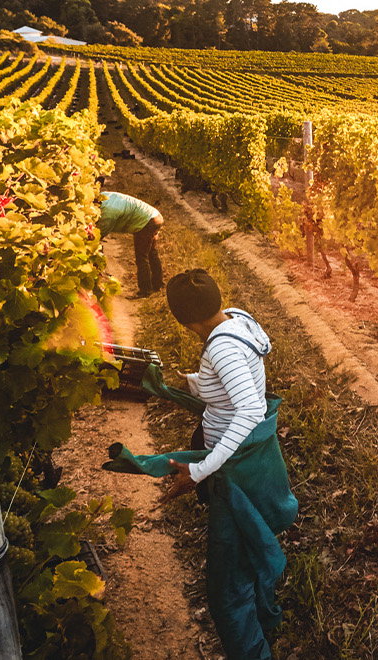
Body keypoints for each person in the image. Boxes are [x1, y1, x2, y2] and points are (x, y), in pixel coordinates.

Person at [102, 269, 297, 659]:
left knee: (225, 589)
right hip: (240, 460)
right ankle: (266, 620)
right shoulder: (238, 319)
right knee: (246, 553)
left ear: (184, 321)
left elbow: (250, 408)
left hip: (233, 469)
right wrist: (195, 382)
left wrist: (201, 469)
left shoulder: (221, 348)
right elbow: (237, 384)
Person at [98, 189, 165, 296]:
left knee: (142, 256)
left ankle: (145, 291)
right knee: (151, 252)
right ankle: (158, 285)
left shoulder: (108, 212)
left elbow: (98, 236)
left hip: (148, 221)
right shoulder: (103, 196)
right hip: (155, 216)